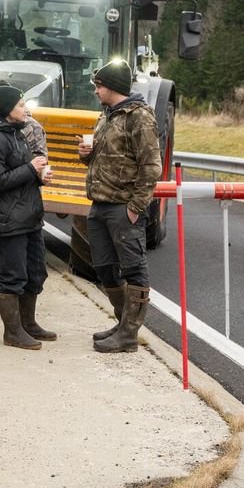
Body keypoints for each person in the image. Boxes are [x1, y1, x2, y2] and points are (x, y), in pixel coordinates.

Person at [76, 61, 162, 353]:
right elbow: (103, 159)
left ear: (111, 86)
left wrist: (136, 207)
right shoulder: (106, 116)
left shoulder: (139, 117)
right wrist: (85, 154)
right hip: (99, 203)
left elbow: (151, 167)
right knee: (104, 267)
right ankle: (122, 321)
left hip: (123, 206)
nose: (96, 90)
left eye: (99, 85)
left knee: (133, 269)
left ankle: (128, 335)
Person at [0, 85, 59, 350]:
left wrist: (39, 175)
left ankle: (28, 323)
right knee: (13, 276)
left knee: (36, 273)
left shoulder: (17, 133)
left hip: (30, 216)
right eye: (21, 104)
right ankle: (12, 332)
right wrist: (29, 168)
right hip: (8, 219)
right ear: (7, 108)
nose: (26, 108)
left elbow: (25, 171)